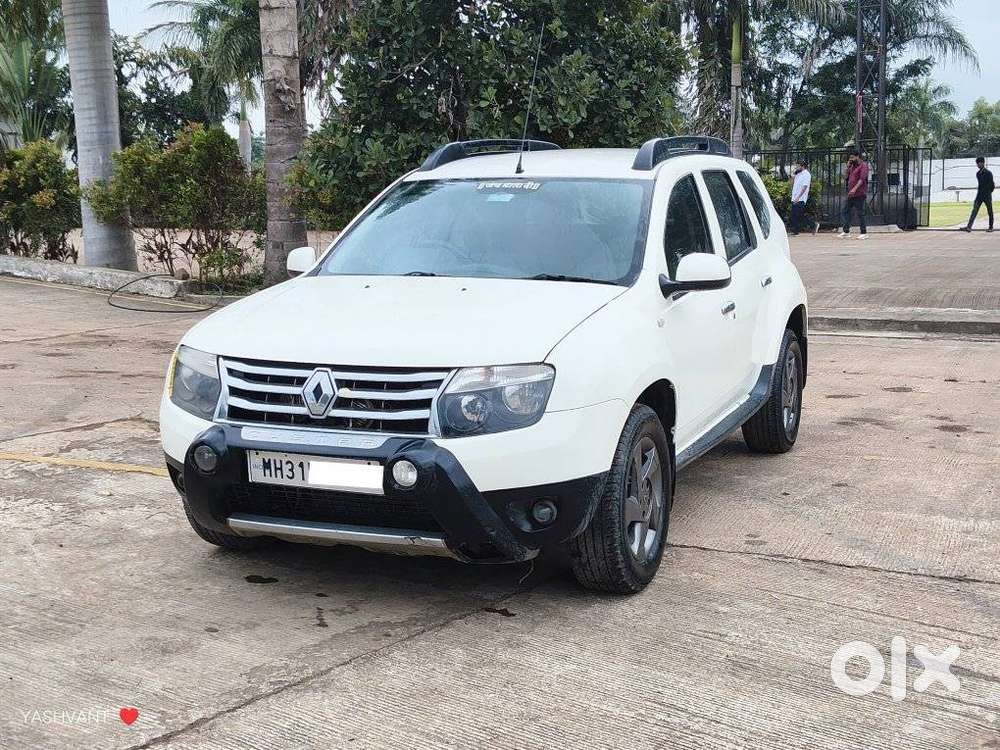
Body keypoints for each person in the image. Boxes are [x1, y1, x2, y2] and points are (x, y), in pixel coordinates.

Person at [839, 151, 869, 239]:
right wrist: (847, 167)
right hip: (851, 194)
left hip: (859, 193)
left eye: (852, 158)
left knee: (860, 213)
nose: (851, 160)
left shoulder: (863, 166)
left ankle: (864, 233)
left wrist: (854, 189)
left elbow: (862, 179)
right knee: (845, 211)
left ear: (858, 157)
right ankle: (846, 231)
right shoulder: (852, 166)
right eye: (850, 158)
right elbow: (845, 177)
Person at [962, 157, 994, 233]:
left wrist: (988, 193)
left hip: (987, 196)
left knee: (990, 211)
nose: (978, 165)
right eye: (977, 163)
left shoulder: (988, 173)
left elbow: (992, 185)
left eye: (979, 163)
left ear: (983, 163)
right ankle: (969, 227)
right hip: (979, 196)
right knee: (974, 211)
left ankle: (991, 227)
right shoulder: (978, 174)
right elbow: (980, 185)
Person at [789, 159, 812, 236]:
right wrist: (793, 175)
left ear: (802, 166)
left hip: (801, 198)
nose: (796, 167)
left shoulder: (806, 174)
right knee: (797, 215)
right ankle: (813, 225)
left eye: (798, 166)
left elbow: (805, 186)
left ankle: (796, 231)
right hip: (795, 197)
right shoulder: (798, 174)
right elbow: (792, 183)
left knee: (795, 215)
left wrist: (798, 197)